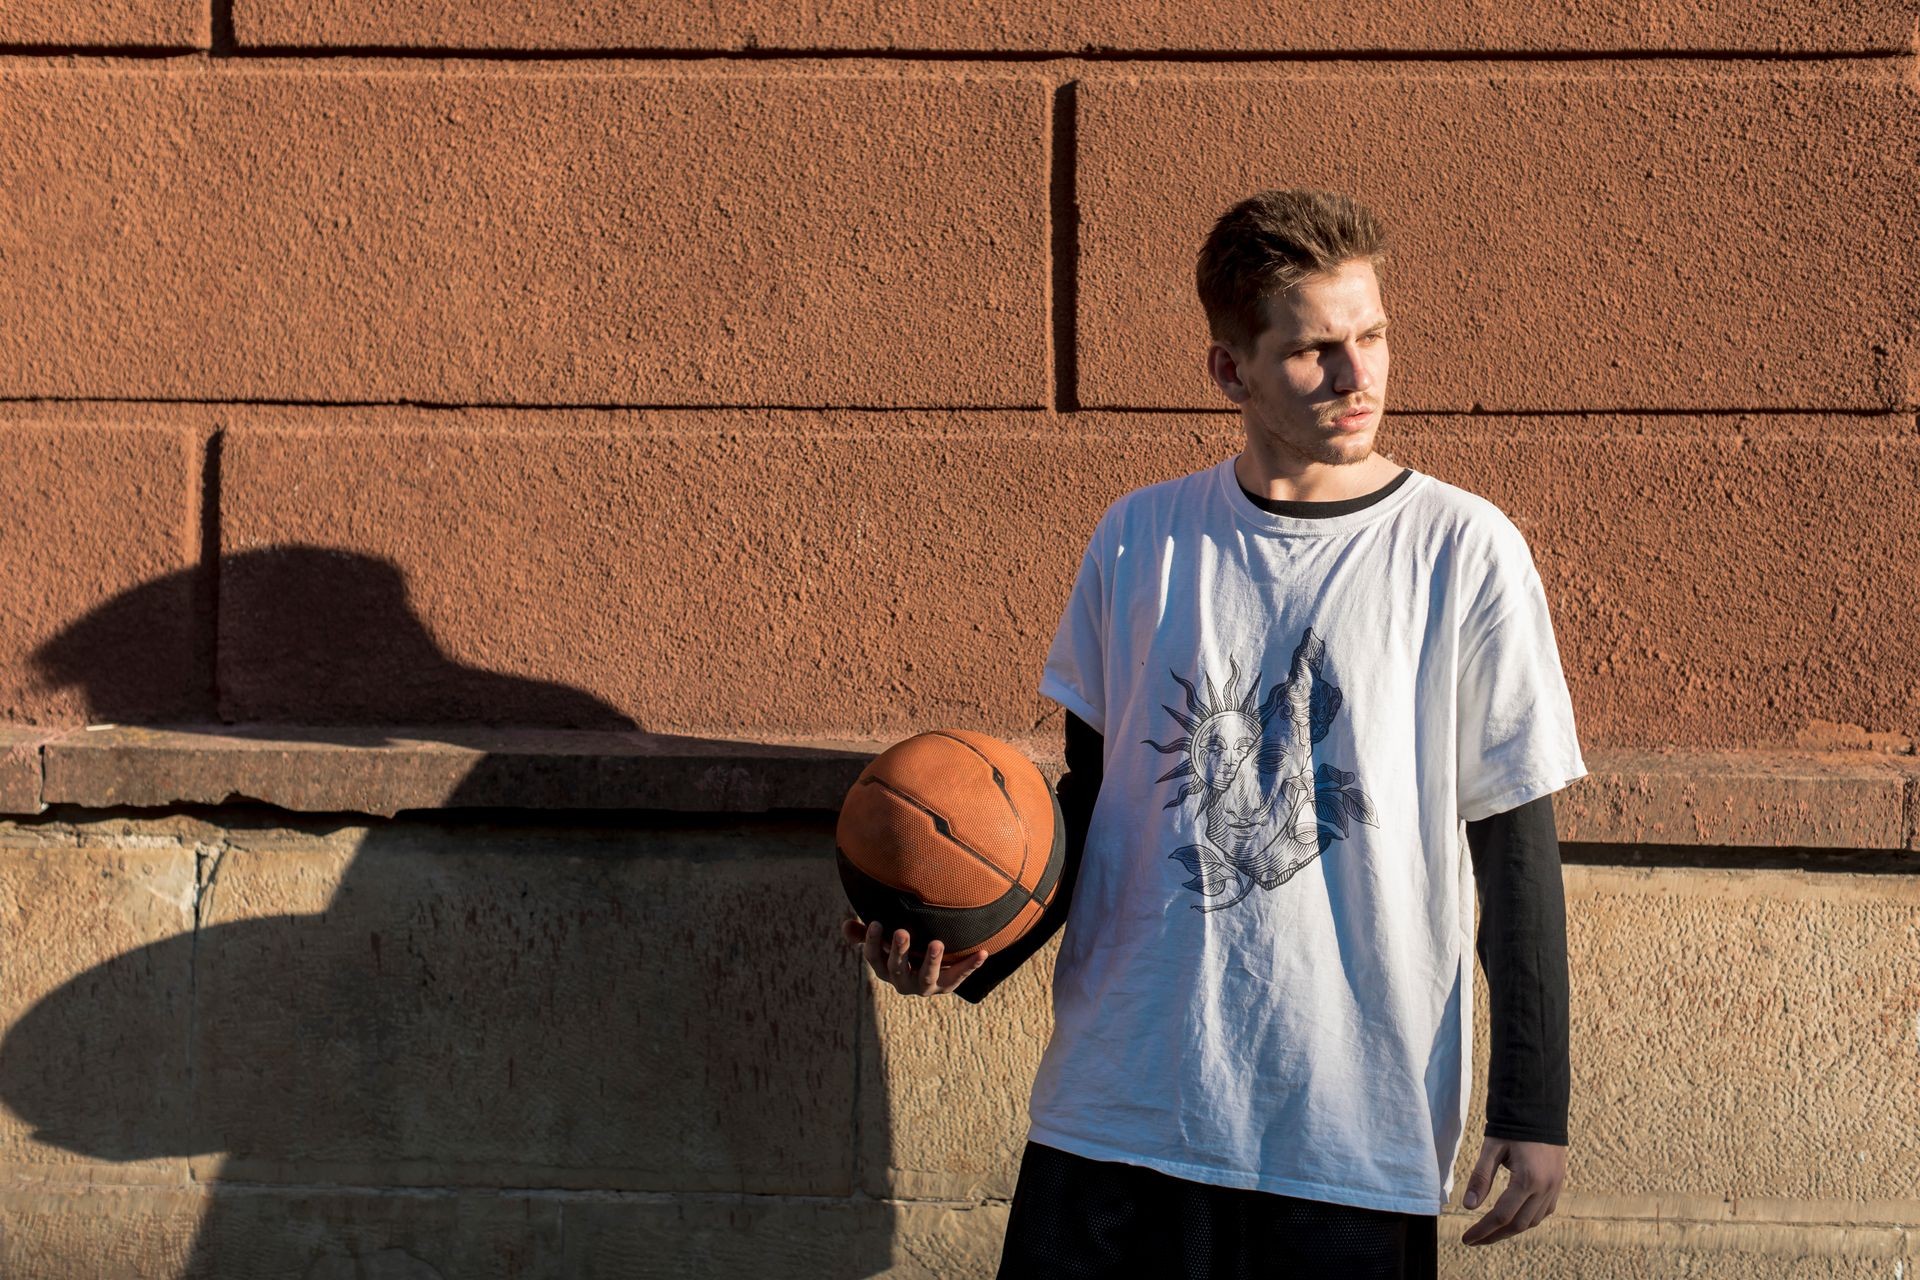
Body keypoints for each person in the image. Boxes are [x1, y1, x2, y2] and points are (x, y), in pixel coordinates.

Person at [841, 188, 1584, 1278]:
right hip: (1121, 1107)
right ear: (1230, 372)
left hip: (1343, 1130)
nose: (1358, 375)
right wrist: (967, 945)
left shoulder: (1462, 552)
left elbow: (1514, 845)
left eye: (1371, 335)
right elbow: (1093, 812)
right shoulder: (1141, 537)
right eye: (1315, 350)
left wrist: (1532, 1100)